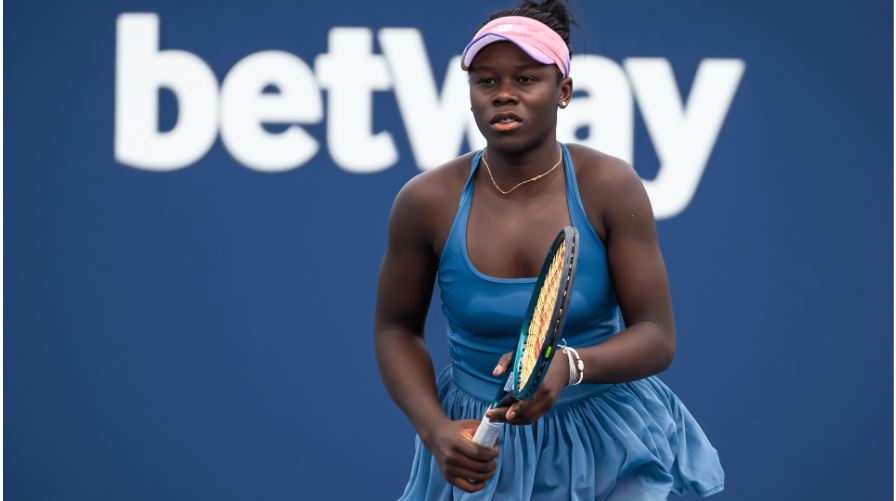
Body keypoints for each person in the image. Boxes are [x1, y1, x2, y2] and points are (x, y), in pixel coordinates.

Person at [373, 1, 725, 499]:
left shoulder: (610, 186)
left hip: (609, 441)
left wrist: (570, 365)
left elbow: (656, 336)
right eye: (486, 81)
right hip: (482, 446)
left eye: (526, 79)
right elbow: (395, 329)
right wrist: (434, 429)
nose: (504, 94)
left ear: (563, 92)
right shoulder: (425, 201)